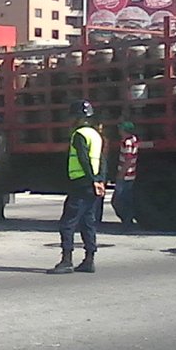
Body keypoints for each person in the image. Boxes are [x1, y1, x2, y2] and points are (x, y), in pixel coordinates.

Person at [50, 100, 105, 274]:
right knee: (88, 221)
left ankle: (66, 260)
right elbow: (102, 160)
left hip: (80, 183)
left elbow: (83, 158)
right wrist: (99, 180)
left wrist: (91, 179)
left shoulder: (78, 135)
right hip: (91, 183)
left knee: (68, 222)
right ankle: (89, 259)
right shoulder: (96, 135)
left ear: (77, 117)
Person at [112, 121, 139, 226]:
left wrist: (121, 173)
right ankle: (128, 220)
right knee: (127, 199)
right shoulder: (134, 140)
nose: (119, 131)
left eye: (121, 129)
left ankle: (126, 221)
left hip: (125, 175)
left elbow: (128, 159)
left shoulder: (127, 142)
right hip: (131, 174)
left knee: (117, 201)